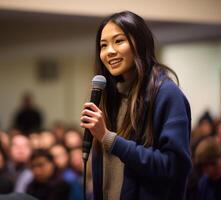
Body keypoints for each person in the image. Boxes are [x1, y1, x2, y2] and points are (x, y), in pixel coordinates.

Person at [80, 11, 192, 200]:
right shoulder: (110, 96)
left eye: (118, 41)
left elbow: (172, 167)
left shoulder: (166, 94)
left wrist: (108, 138)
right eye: (103, 45)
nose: (110, 51)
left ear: (139, 43)